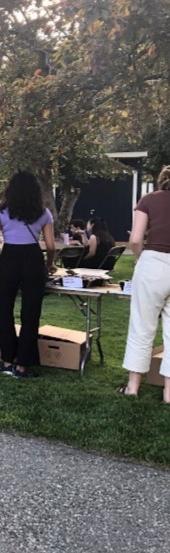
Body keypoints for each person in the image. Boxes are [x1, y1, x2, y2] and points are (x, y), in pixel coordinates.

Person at [0, 171, 55, 378]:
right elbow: (50, 246)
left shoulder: (0, 210)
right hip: (33, 259)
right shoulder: (44, 213)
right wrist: (49, 264)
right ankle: (22, 365)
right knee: (31, 313)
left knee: (4, 310)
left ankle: (7, 361)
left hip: (9, 257)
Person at [120, 165, 170, 402]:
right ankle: (169, 393)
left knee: (142, 325)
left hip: (153, 263)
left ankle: (133, 386)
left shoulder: (148, 200)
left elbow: (136, 239)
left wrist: (142, 258)